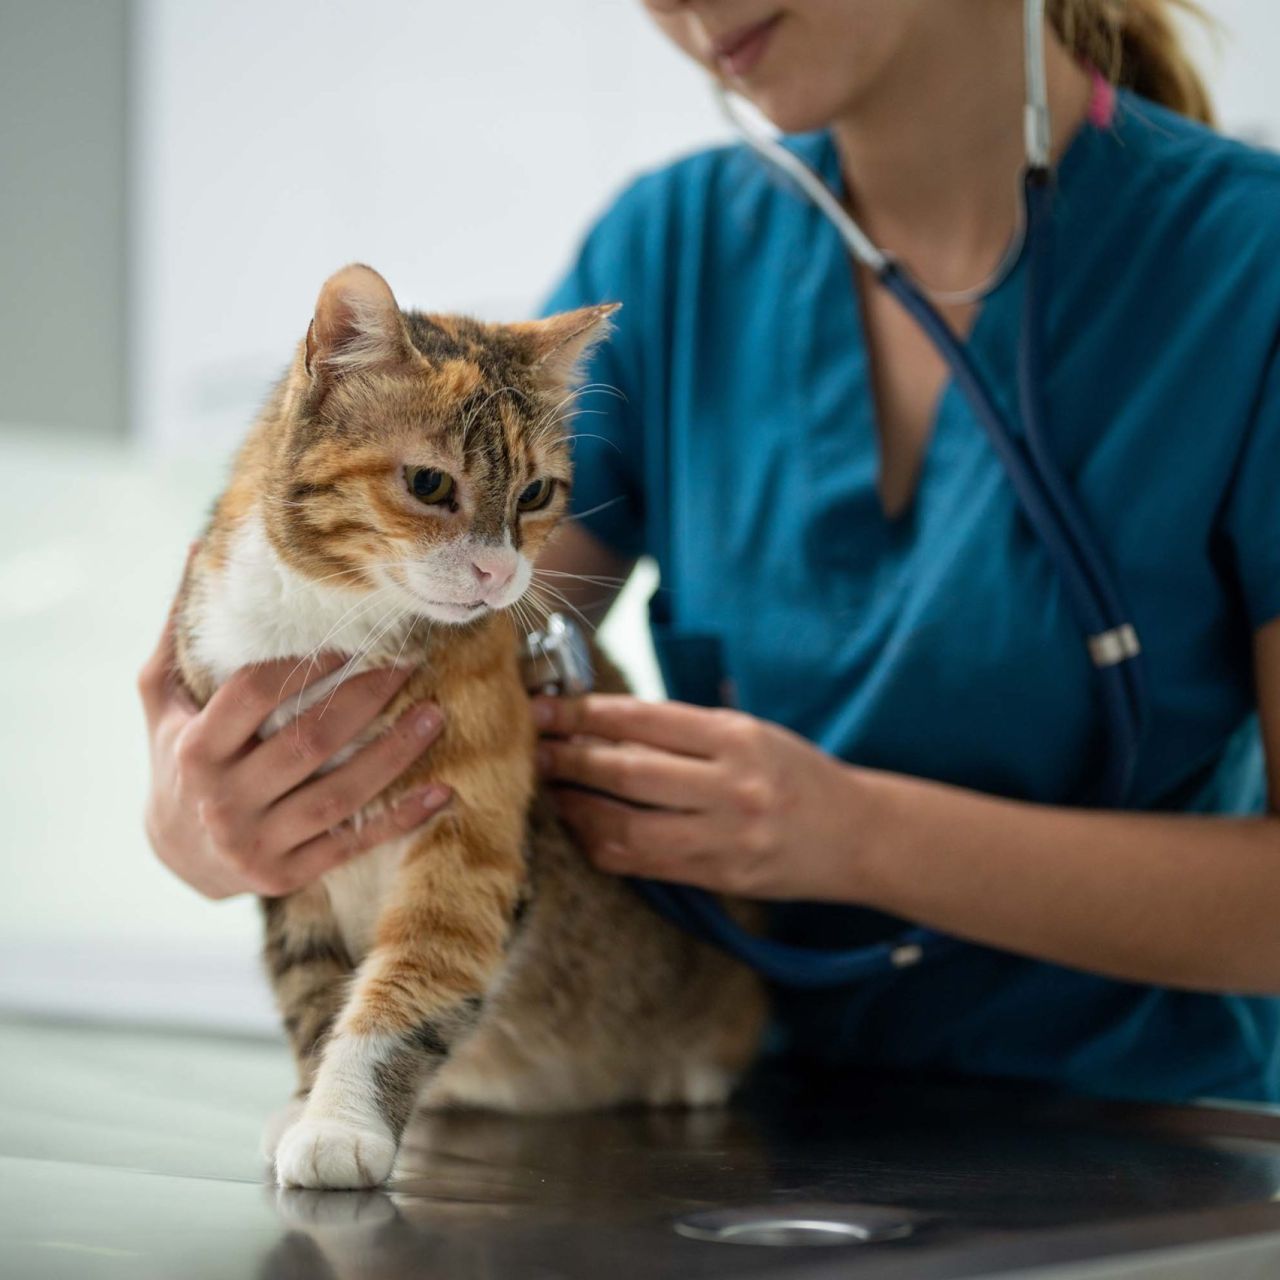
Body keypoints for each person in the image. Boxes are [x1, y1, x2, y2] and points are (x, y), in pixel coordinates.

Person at [141, 0, 1280, 1104]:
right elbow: (466, 657)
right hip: (732, 1114)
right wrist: (216, 817)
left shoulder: (1248, 268)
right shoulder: (675, 248)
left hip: (1165, 1140)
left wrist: (856, 836)